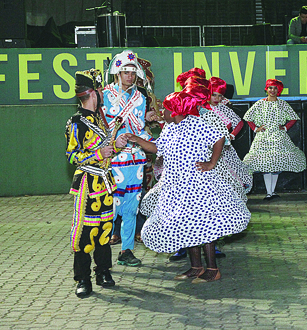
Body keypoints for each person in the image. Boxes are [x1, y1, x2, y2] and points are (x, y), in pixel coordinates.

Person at [135, 86, 251, 283]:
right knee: (186, 225)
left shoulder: (197, 124)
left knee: (204, 226)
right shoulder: (170, 128)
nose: (163, 113)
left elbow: (219, 138)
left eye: (166, 109)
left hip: (198, 186)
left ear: (176, 111)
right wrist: (135, 139)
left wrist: (212, 162)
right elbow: (157, 148)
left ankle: (212, 269)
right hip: (177, 186)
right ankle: (196, 267)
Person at [65, 69, 127, 297]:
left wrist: (117, 145)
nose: (102, 93)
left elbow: (106, 151)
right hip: (87, 185)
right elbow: (72, 156)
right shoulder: (76, 123)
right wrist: (98, 155)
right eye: (100, 90)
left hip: (105, 184)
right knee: (83, 232)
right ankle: (82, 278)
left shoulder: (99, 120)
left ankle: (103, 271)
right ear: (92, 93)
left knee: (104, 231)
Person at [102, 50, 151, 267]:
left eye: (133, 73)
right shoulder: (104, 94)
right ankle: (101, 254)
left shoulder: (140, 97)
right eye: (125, 72)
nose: (130, 77)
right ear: (117, 73)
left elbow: (140, 127)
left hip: (136, 158)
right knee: (111, 207)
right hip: (113, 158)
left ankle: (126, 250)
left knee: (132, 206)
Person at [243, 79, 307, 200]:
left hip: (278, 137)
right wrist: (256, 128)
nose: (272, 90)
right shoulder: (260, 104)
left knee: (275, 163)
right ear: (266, 89)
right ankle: (269, 192)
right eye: (270, 88)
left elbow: (293, 118)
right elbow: (248, 117)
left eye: (275, 88)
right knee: (266, 163)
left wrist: (285, 128)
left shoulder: (282, 104)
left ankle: (272, 191)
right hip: (264, 138)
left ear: (279, 90)